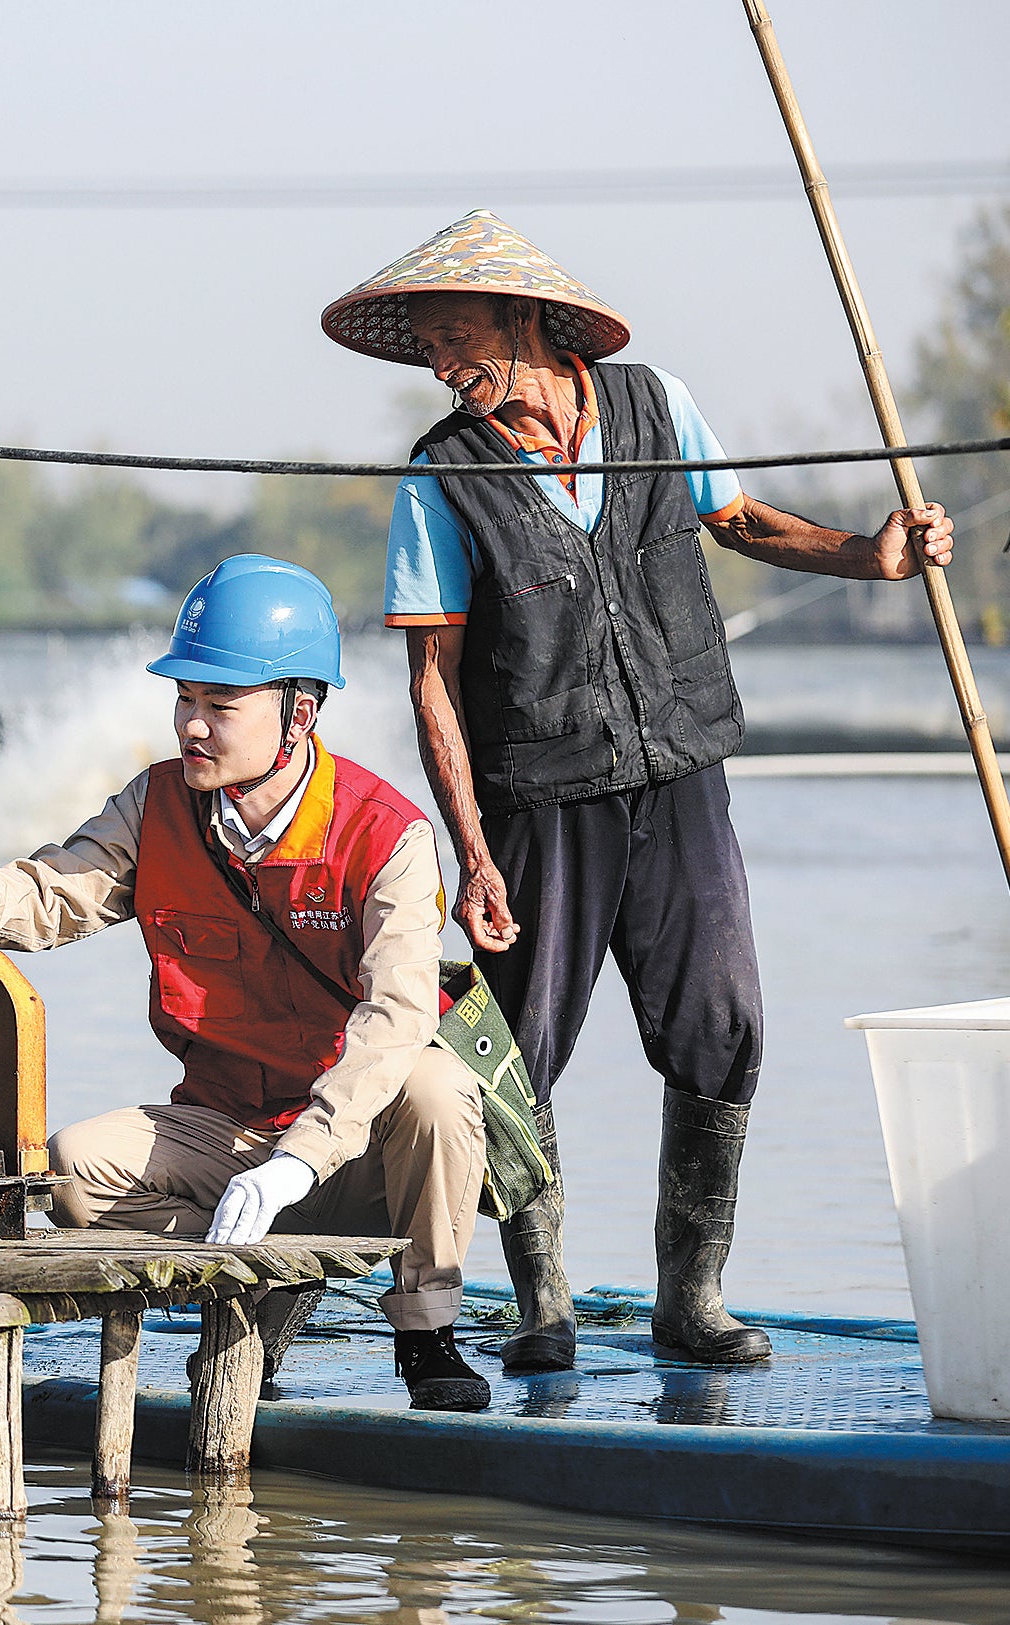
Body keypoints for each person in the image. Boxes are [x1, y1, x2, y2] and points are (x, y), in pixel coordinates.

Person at [319, 210, 957, 1370]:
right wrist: (472, 852)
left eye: (458, 333)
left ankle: (690, 1301)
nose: (443, 362)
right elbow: (431, 680)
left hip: (681, 769)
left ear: (528, 320)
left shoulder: (653, 406)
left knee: (722, 1020)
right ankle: (541, 1305)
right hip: (536, 794)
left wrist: (868, 555)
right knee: (511, 1046)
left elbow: (739, 518)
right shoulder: (441, 477)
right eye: (426, 345)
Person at [0, 555, 492, 1411]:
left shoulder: (385, 833)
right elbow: (64, 890)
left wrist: (299, 1163)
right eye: (184, 699)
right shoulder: (156, 804)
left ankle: (426, 1332)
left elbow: (396, 1017)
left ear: (300, 712)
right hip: (223, 1127)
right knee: (70, 1166)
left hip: (346, 1140)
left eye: (220, 703)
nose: (193, 726)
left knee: (436, 1085)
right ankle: (256, 1275)